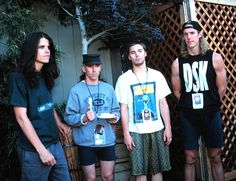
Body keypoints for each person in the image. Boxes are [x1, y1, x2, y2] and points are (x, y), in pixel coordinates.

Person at [8, 32, 71, 181]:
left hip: (55, 143)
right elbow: (21, 117)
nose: (47, 50)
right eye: (42, 47)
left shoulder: (45, 74)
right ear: (31, 50)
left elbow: (47, 103)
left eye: (48, 47)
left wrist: (59, 123)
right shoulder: (18, 77)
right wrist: (41, 150)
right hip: (34, 149)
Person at [171, 20, 227, 181]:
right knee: (189, 158)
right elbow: (176, 91)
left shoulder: (214, 58)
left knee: (215, 156)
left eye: (192, 33)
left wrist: (210, 104)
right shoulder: (177, 63)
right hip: (188, 116)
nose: (189, 37)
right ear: (183, 37)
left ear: (200, 34)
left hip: (211, 114)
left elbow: (222, 88)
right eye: (186, 34)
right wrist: (189, 106)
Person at [115, 40, 172, 181]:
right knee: (139, 172)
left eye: (140, 51)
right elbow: (124, 108)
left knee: (157, 170)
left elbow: (163, 103)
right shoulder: (123, 79)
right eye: (133, 52)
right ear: (129, 57)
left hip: (157, 129)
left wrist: (168, 128)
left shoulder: (157, 75)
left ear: (145, 53)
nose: (137, 55)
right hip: (136, 131)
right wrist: (126, 134)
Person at [64, 54, 120, 181]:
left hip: (107, 141)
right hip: (86, 142)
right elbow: (68, 117)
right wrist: (84, 118)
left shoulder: (109, 88)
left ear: (100, 68)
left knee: (108, 176)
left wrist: (114, 118)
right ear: (84, 69)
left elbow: (116, 110)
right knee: (90, 178)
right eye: (90, 66)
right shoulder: (76, 90)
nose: (94, 70)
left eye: (97, 66)